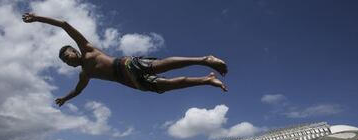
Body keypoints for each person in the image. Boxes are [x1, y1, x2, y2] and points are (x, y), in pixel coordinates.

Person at [22, 13, 228, 107]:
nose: (69, 62)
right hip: (131, 82)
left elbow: (65, 25)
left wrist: (38, 18)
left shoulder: (87, 50)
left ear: (74, 51)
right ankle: (206, 80)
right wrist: (64, 99)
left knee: (159, 65)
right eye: (66, 62)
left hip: (126, 65)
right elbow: (78, 90)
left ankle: (204, 59)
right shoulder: (85, 73)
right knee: (167, 85)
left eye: (68, 57)